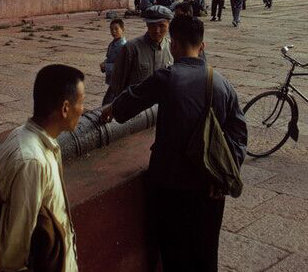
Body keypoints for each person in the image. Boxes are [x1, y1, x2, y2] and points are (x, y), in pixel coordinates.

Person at [100, 15, 246, 272]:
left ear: (174, 45)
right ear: (202, 46)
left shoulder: (167, 77)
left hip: (171, 185)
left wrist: (112, 107)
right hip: (210, 187)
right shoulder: (223, 84)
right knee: (206, 253)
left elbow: (127, 104)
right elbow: (239, 135)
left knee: (174, 254)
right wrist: (221, 177)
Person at [0, 65, 83, 272]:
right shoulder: (31, 161)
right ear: (65, 108)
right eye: (80, 102)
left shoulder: (28, 137)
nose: (83, 109)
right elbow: (13, 254)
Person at [106, 5, 174, 102]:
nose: (157, 30)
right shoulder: (131, 48)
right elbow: (118, 82)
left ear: (168, 25)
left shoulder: (172, 48)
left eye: (161, 25)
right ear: (147, 25)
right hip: (136, 108)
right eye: (152, 25)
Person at [100, 18, 126, 104]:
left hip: (118, 80)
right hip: (114, 79)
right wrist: (105, 63)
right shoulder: (113, 43)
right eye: (111, 29)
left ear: (122, 29)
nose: (113, 31)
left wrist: (106, 67)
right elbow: (111, 58)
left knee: (107, 103)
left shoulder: (123, 46)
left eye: (116, 29)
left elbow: (123, 65)